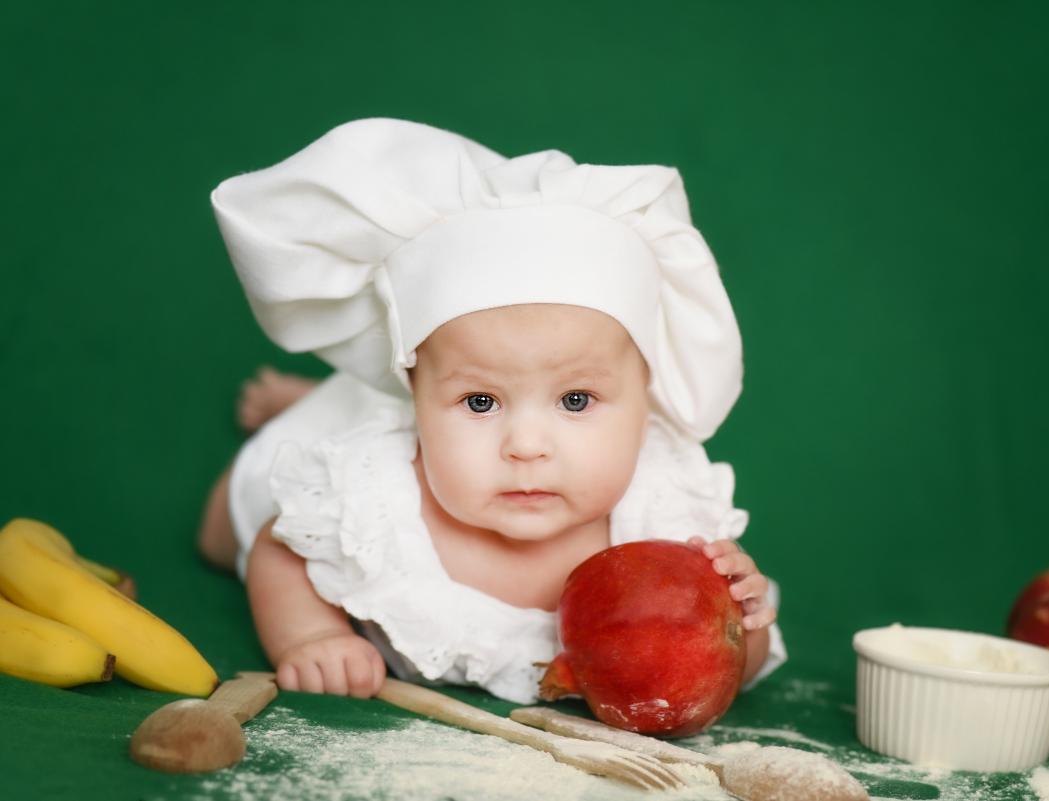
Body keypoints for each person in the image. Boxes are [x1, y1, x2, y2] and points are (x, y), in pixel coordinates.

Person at [198, 118, 786, 703]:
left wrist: (743, 618)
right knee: (225, 533)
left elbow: (729, 660)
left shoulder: (664, 524)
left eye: (575, 400)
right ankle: (303, 408)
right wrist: (311, 635)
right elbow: (280, 545)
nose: (526, 445)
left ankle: (340, 395)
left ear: (645, 401)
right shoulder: (373, 495)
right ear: (417, 396)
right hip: (336, 442)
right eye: (480, 402)